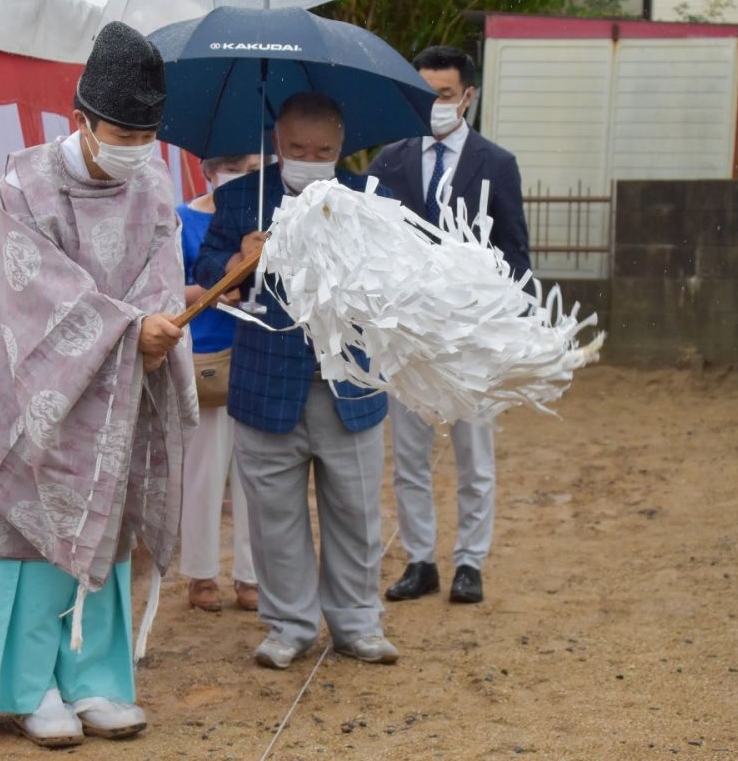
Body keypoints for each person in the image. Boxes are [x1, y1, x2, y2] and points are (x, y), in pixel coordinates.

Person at [0, 21, 198, 747]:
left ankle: (93, 678)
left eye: (146, 134)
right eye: (120, 132)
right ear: (80, 118)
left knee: (98, 530)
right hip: (21, 392)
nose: (134, 149)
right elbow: (33, 292)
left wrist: (158, 325)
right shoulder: (26, 182)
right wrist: (126, 332)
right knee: (23, 537)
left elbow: (161, 273)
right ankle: (24, 684)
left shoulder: (153, 185)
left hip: (110, 389)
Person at [194, 92, 398, 670]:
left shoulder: (369, 199)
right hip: (263, 384)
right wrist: (236, 260)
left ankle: (358, 623)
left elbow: (402, 273)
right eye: (300, 148)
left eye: (325, 150)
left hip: (350, 386)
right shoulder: (239, 199)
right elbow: (205, 273)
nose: (312, 158)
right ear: (276, 142)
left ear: (342, 146)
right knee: (274, 517)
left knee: (357, 513)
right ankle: (288, 625)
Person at [367, 45, 531, 606]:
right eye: (422, 95)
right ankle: (420, 560)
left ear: (467, 96)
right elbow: (369, 246)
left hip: (471, 338)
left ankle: (470, 562)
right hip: (407, 336)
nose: (432, 105)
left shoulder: (497, 163)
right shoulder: (388, 161)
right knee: (408, 457)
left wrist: (501, 316)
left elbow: (516, 252)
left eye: (441, 95)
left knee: (474, 454)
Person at [177, 154, 262, 612]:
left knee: (257, 476)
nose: (241, 172)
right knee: (204, 472)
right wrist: (213, 291)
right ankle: (201, 574)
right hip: (207, 357)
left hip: (260, 357)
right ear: (208, 169)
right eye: (231, 163)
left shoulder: (271, 222)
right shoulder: (183, 219)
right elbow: (165, 287)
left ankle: (251, 576)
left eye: (251, 166)